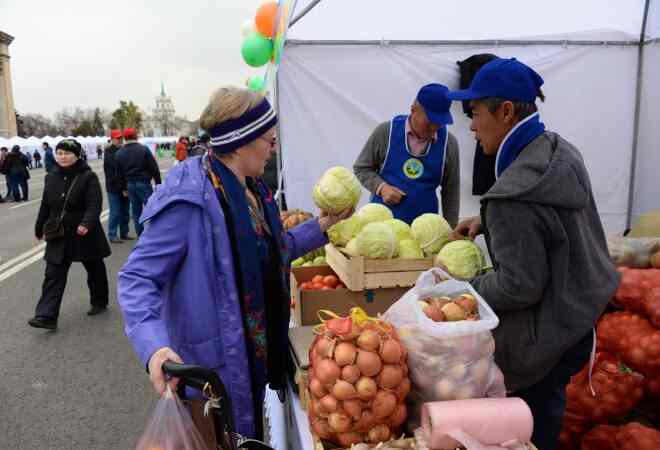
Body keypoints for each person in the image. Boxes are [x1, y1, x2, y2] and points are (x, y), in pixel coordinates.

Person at [117, 87, 352, 440]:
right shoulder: (189, 198)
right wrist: (155, 348)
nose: (274, 148)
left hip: (249, 354)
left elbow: (271, 251)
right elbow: (136, 278)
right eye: (269, 140)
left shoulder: (253, 191)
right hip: (211, 373)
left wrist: (320, 227)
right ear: (241, 142)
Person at [445, 58, 620, 450]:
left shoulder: (512, 193)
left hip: (545, 335)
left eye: (474, 113)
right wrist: (488, 221)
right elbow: (550, 223)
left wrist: (459, 287)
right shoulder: (558, 151)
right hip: (579, 314)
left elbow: (519, 286)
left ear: (505, 111)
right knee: (550, 410)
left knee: (531, 427)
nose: (471, 127)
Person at [28, 139, 111, 330]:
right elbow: (46, 204)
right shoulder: (51, 176)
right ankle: (46, 316)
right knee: (53, 273)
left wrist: (87, 223)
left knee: (94, 267)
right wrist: (39, 227)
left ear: (76, 155)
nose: (63, 157)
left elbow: (94, 203)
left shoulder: (88, 177)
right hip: (59, 233)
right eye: (60, 153)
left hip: (84, 232)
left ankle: (99, 300)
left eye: (67, 153)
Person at [353, 83, 460, 226]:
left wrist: (451, 229)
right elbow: (362, 168)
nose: (434, 128)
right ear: (413, 110)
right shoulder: (386, 132)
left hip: (424, 233)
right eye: (429, 122)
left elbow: (451, 191)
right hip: (381, 227)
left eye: (439, 123)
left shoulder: (449, 144)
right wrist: (381, 187)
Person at [115, 128, 161, 236]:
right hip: (143, 183)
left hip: (130, 185)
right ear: (136, 136)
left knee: (136, 212)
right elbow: (154, 168)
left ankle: (141, 235)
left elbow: (119, 174)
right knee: (152, 209)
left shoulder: (119, 153)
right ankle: (155, 233)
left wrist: (123, 188)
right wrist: (158, 183)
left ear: (125, 138)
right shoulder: (143, 149)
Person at [104, 129, 132, 243]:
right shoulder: (109, 152)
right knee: (115, 212)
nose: (120, 140)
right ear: (112, 139)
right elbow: (116, 172)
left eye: (121, 138)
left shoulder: (123, 150)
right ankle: (112, 235)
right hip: (114, 187)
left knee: (125, 211)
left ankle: (124, 233)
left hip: (124, 186)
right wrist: (123, 188)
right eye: (117, 138)